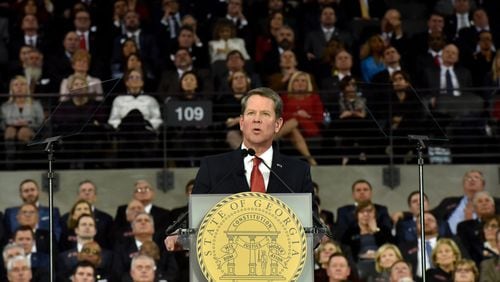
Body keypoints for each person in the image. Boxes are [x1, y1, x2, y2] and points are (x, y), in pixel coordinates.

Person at [166, 87, 314, 249]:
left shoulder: (298, 171)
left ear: (278, 124)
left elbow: (313, 224)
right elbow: (194, 218)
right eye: (251, 113)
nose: (257, 119)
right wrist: (181, 235)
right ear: (242, 123)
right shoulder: (213, 167)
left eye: (265, 114)